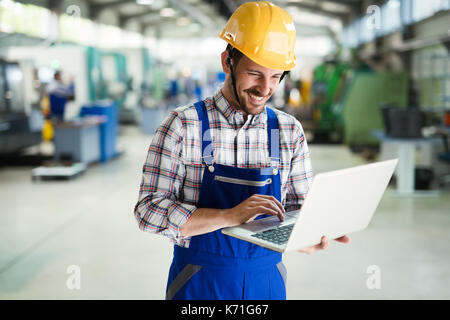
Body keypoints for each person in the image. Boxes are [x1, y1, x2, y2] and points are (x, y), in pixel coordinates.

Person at [134, 1, 349, 300]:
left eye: (276, 77)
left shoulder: (289, 131)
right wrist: (229, 216)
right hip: (199, 282)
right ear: (227, 62)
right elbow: (148, 210)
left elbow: (298, 209)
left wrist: (307, 237)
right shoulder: (183, 125)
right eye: (255, 74)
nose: (265, 88)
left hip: (267, 282)